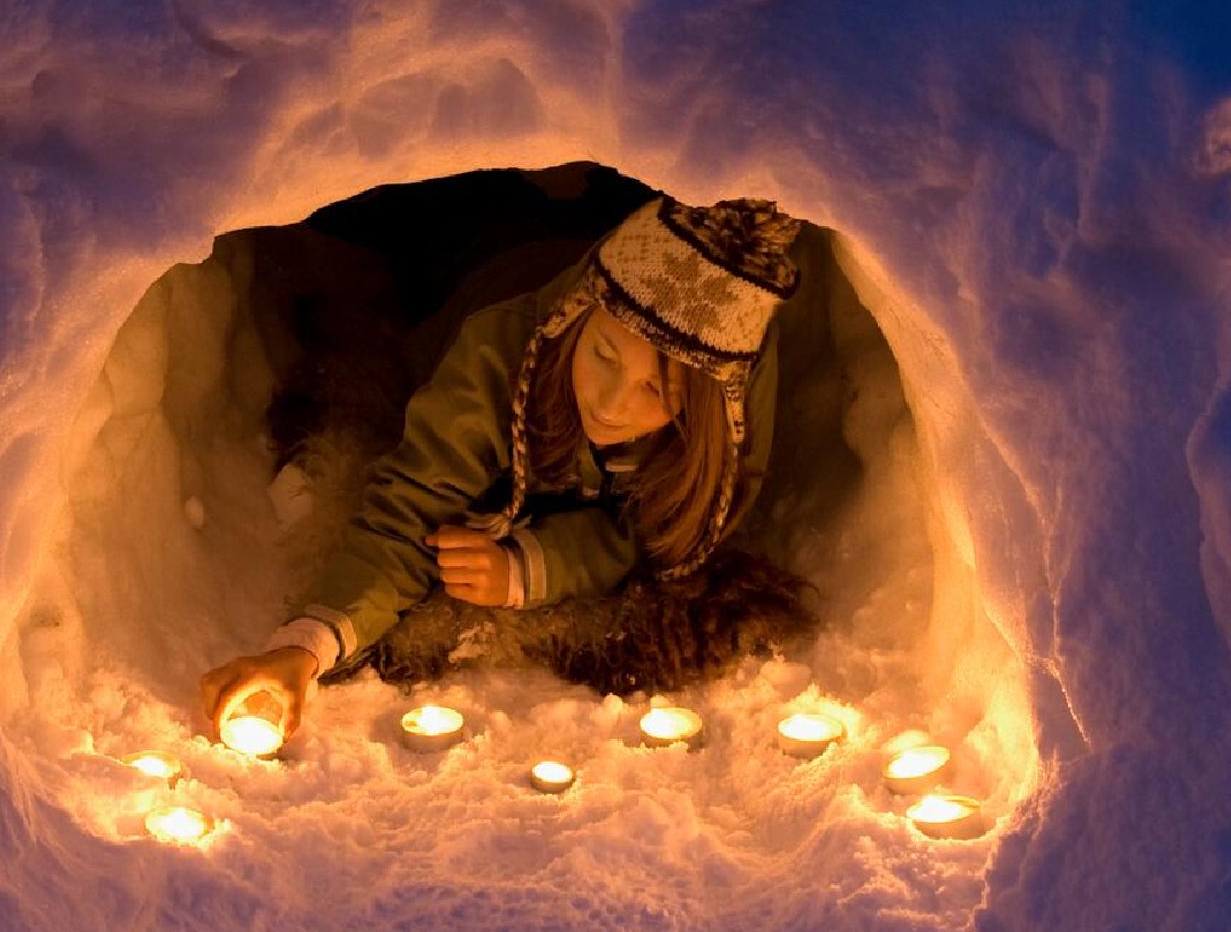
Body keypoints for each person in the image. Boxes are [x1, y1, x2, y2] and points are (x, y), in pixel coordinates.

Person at [200, 194, 803, 741]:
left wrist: (531, 567)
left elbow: (663, 537)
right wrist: (305, 647)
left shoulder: (724, 437)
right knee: (437, 238)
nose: (610, 403)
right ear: (575, 317)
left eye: (657, 391)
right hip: (482, 266)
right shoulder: (494, 356)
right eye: (602, 355)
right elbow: (406, 513)